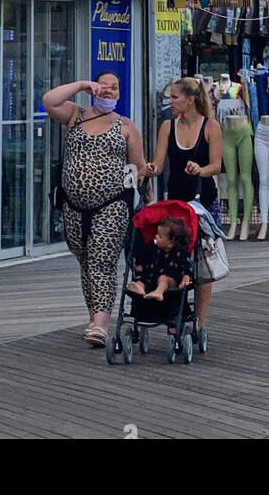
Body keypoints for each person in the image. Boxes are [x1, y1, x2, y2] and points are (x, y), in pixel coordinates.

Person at [43, 70, 150, 347]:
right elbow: (49, 101)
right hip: (74, 205)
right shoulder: (75, 116)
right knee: (86, 261)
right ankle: (94, 318)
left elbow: (137, 167)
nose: (110, 92)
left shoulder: (126, 126)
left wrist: (143, 191)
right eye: (104, 87)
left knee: (102, 260)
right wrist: (80, 85)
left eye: (114, 88)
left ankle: (101, 323)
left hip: (112, 204)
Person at [150, 77, 223, 330]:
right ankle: (176, 313)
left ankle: (199, 322)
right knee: (175, 257)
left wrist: (200, 169)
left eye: (175, 97)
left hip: (204, 201)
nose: (170, 102)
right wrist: (149, 169)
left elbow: (216, 165)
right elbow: (159, 163)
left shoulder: (211, 127)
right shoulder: (168, 127)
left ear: (190, 100)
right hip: (177, 203)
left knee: (202, 264)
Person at [127, 216, 192, 301]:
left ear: (170, 243)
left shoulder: (179, 253)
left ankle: (158, 292)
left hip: (171, 280)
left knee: (163, 279)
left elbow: (186, 269)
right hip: (152, 277)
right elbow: (146, 261)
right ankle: (140, 288)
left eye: (160, 236)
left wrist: (185, 278)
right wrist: (139, 266)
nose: (156, 236)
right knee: (142, 280)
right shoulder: (153, 248)